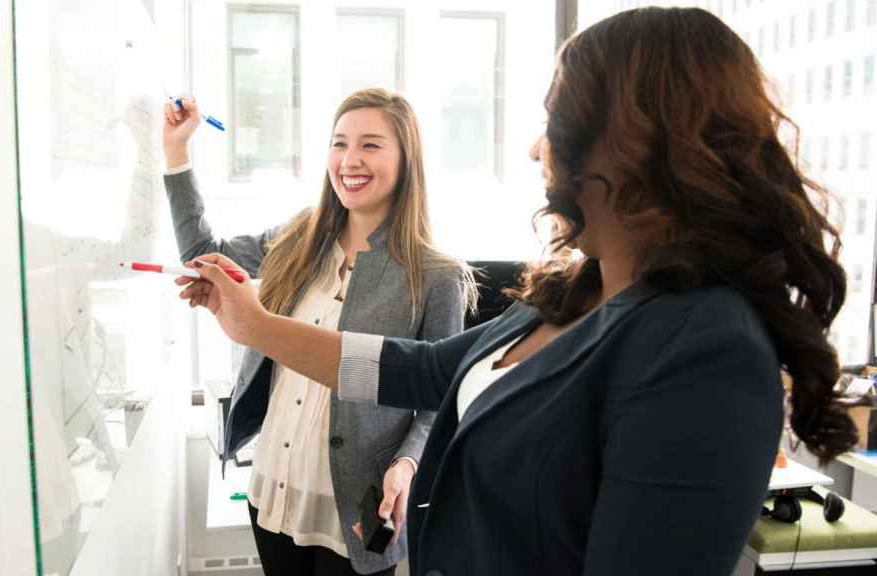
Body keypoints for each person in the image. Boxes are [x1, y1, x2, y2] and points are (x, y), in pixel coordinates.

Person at [175, 8, 858, 576]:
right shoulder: (571, 292)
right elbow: (426, 370)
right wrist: (255, 327)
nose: (536, 149)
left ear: (633, 142)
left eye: (554, 118)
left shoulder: (704, 349)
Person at [161, 88, 474, 576]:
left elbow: (441, 397)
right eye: (340, 143)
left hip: (354, 508)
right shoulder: (300, 237)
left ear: (406, 158)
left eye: (371, 145)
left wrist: (408, 463)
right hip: (273, 489)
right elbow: (203, 253)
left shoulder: (435, 275)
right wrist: (177, 151)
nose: (350, 160)